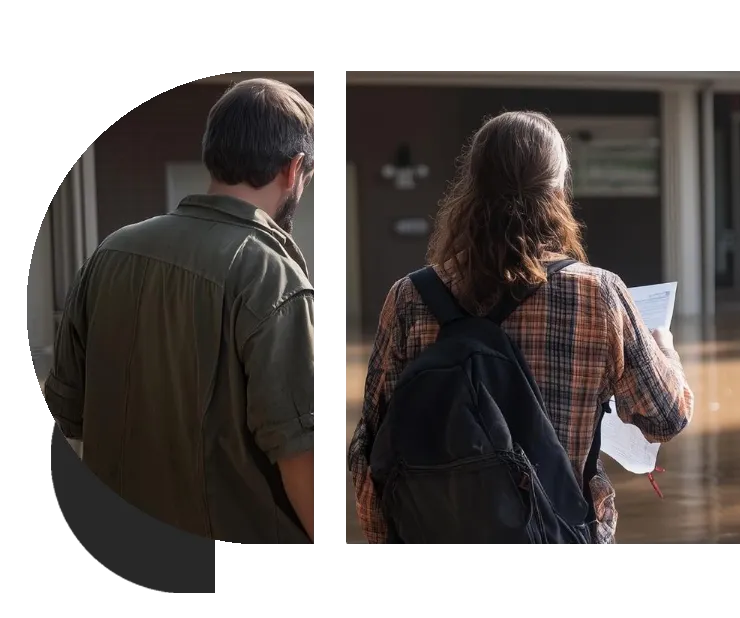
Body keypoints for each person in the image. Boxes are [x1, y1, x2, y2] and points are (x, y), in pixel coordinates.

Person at [348, 110, 694, 544]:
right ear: (556, 189)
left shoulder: (409, 297)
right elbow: (666, 418)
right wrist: (667, 354)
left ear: (471, 187)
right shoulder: (599, 294)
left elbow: (370, 452)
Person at [45, 78, 319, 543]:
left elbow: (69, 414)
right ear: (294, 170)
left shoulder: (111, 252)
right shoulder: (270, 274)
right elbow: (300, 458)